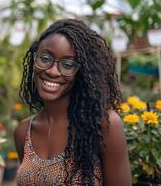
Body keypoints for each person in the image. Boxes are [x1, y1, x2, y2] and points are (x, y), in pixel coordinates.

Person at [14, 19, 132, 185]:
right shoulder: (24, 131)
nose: (53, 71)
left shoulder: (103, 125)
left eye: (68, 64)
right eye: (45, 58)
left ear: (82, 72)